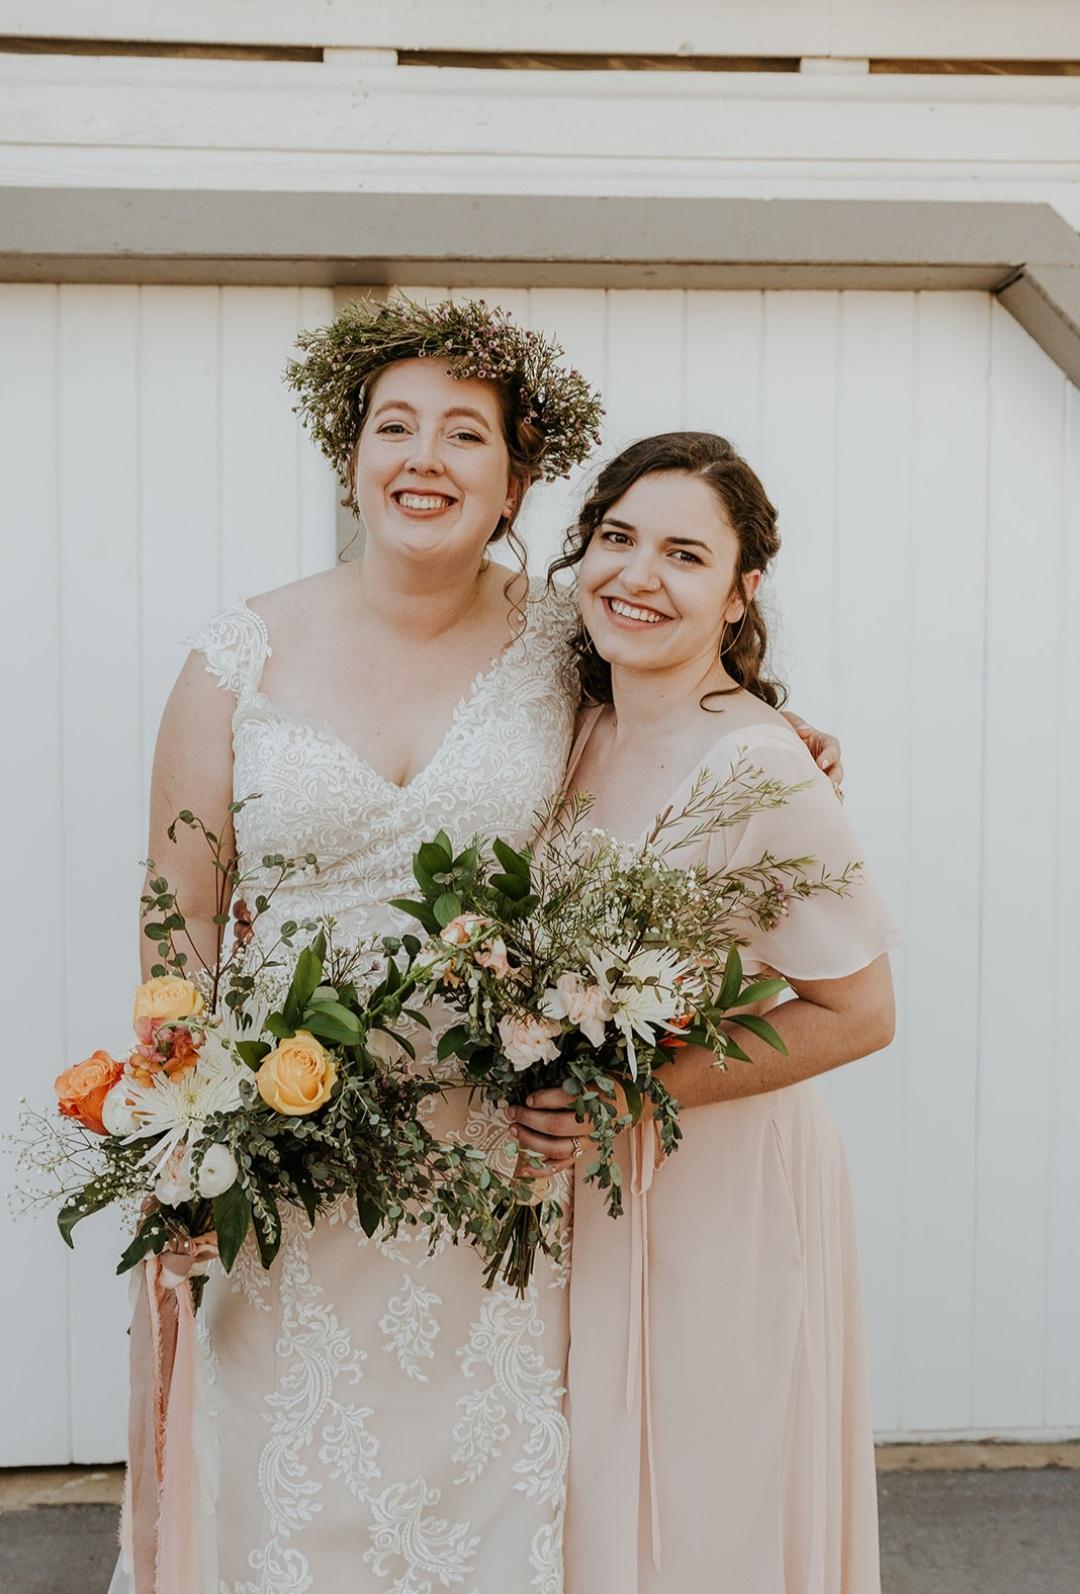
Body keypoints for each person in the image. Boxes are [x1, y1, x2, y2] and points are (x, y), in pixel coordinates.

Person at [114, 299, 841, 1593]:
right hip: (290, 1146)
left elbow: (679, 720)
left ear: (516, 479)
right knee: (283, 1478)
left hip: (498, 1153)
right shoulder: (234, 658)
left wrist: (782, 742)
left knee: (495, 1498)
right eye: (393, 426)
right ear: (350, 457)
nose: (424, 458)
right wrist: (187, 1132)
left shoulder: (570, 640)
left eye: (465, 433)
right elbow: (180, 920)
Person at [507, 432, 900, 1593]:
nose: (639, 575)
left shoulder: (760, 767)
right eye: (617, 537)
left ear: (740, 593)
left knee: (705, 1510)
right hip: (595, 1188)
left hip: (717, 1185)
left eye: (685, 554)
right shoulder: (579, 722)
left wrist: (633, 1095)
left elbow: (861, 1010)